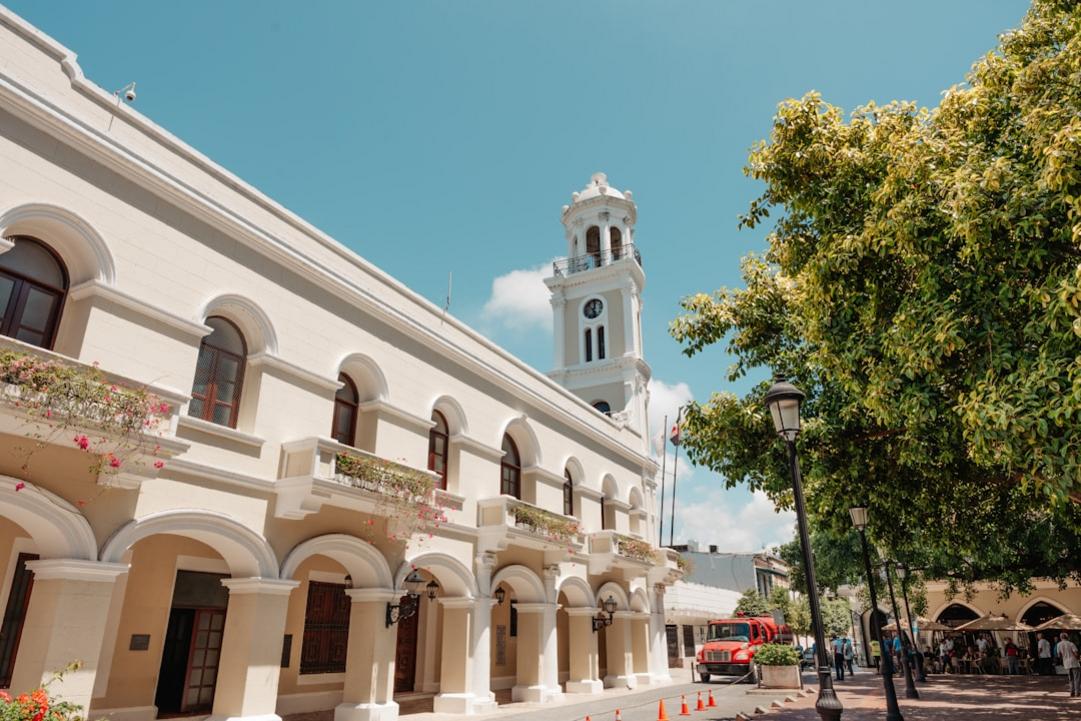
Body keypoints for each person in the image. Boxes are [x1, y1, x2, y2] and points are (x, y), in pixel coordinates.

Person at [1058, 632, 1080, 697]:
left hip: (1066, 663)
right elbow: (1076, 653)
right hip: (1074, 662)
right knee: (1076, 678)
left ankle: (1072, 691)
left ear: (1061, 637)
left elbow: (1059, 655)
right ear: (1067, 637)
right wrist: (1078, 659)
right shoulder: (1071, 644)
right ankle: (1077, 692)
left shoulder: (1059, 645)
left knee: (1070, 678)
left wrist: (1063, 659)